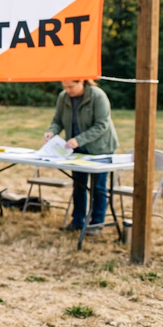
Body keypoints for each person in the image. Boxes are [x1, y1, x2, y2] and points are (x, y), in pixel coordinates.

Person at [44, 80, 118, 235]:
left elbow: (102, 124)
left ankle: (96, 223)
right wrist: (52, 131)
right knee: (79, 185)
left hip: (100, 148)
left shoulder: (98, 96)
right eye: (65, 87)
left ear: (82, 82)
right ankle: (77, 221)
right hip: (77, 150)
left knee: (98, 187)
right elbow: (57, 120)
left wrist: (79, 140)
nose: (68, 90)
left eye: (71, 86)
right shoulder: (63, 97)